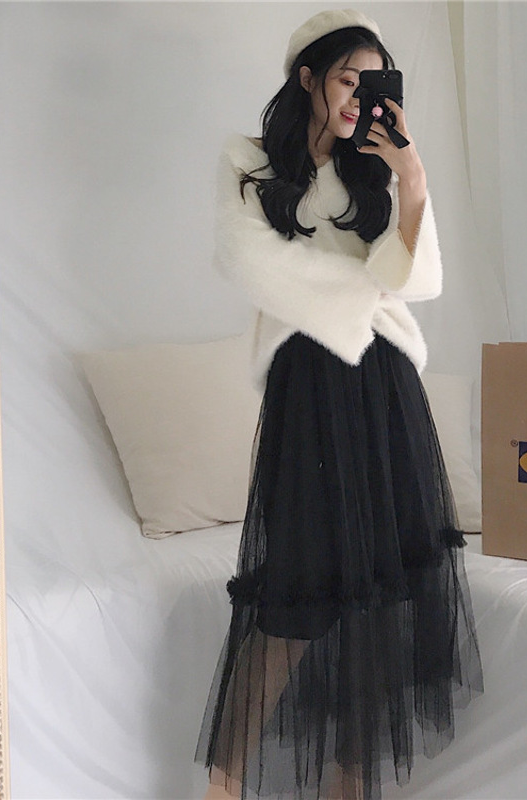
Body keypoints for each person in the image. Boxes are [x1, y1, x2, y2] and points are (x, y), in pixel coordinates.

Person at [195, 9, 483, 799]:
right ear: (308, 78)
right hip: (311, 383)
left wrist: (413, 179)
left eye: (373, 83)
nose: (360, 98)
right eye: (348, 79)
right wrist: (364, 294)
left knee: (379, 595)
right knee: (297, 594)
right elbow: (249, 261)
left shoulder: (374, 171)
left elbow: (416, 280)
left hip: (384, 382)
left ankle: (348, 785)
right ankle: (223, 783)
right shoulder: (249, 161)